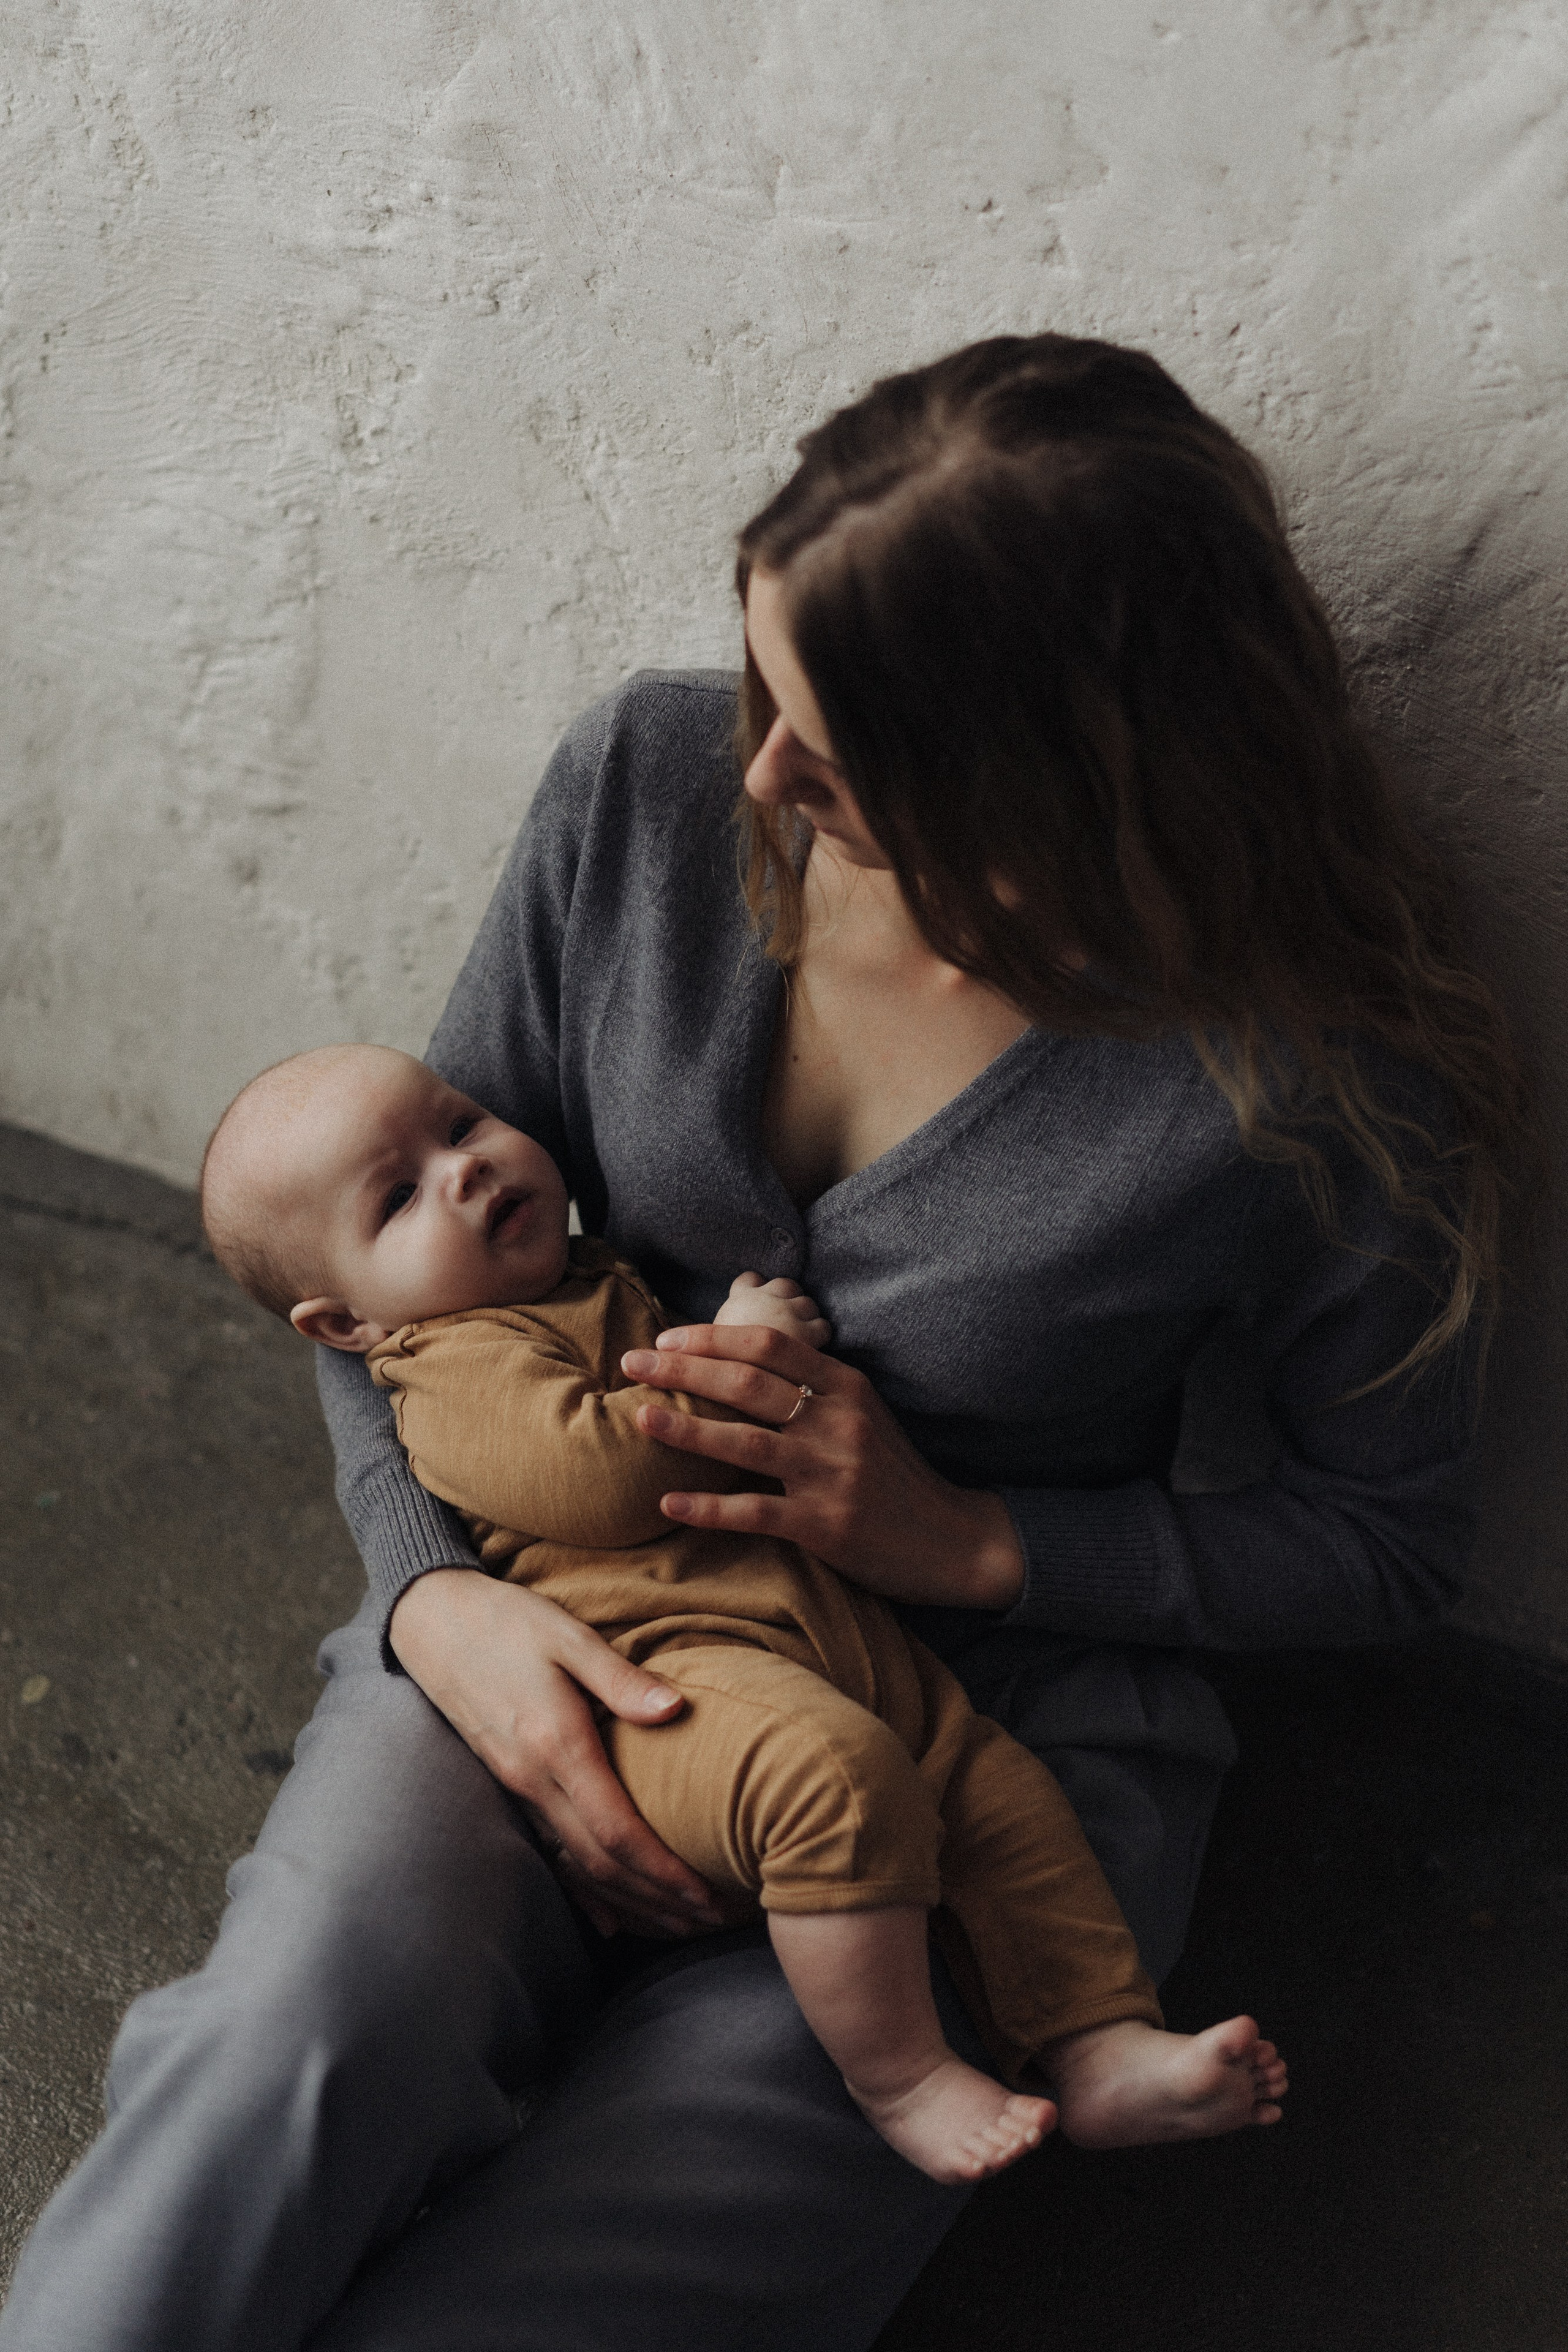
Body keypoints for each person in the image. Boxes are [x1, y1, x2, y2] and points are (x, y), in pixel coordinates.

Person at [0, 331, 1520, 2352]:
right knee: (300, 2037)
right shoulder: (636, 793)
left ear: (1061, 779)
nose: (759, 777)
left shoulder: (1320, 1083)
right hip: (563, 1594)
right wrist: (437, 1608)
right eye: (757, 688)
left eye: (836, 748)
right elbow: (376, 1284)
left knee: (663, 2232)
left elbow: (1387, 1543)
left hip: (991, 1724)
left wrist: (974, 1541)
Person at [196, 1039, 1289, 2183]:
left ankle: (1094, 2041)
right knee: (835, 1782)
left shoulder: (576, 1276)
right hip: (671, 1680)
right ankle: (903, 2076)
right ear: (346, 1328)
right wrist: (746, 1347)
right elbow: (601, 1481)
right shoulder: (449, 1364)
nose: (463, 1170)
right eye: (400, 1195)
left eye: (461, 1127)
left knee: (995, 1793)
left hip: (827, 1639)